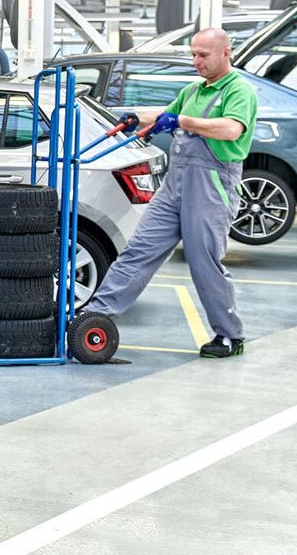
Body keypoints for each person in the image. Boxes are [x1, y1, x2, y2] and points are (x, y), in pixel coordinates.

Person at [83, 28, 258, 358]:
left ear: (226, 53)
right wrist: (138, 118)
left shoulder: (239, 91)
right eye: (193, 54)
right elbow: (167, 114)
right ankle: (96, 316)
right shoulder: (194, 90)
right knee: (139, 249)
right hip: (176, 185)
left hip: (211, 185)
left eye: (203, 55)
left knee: (204, 261)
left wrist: (184, 121)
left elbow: (231, 128)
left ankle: (228, 335)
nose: (196, 61)